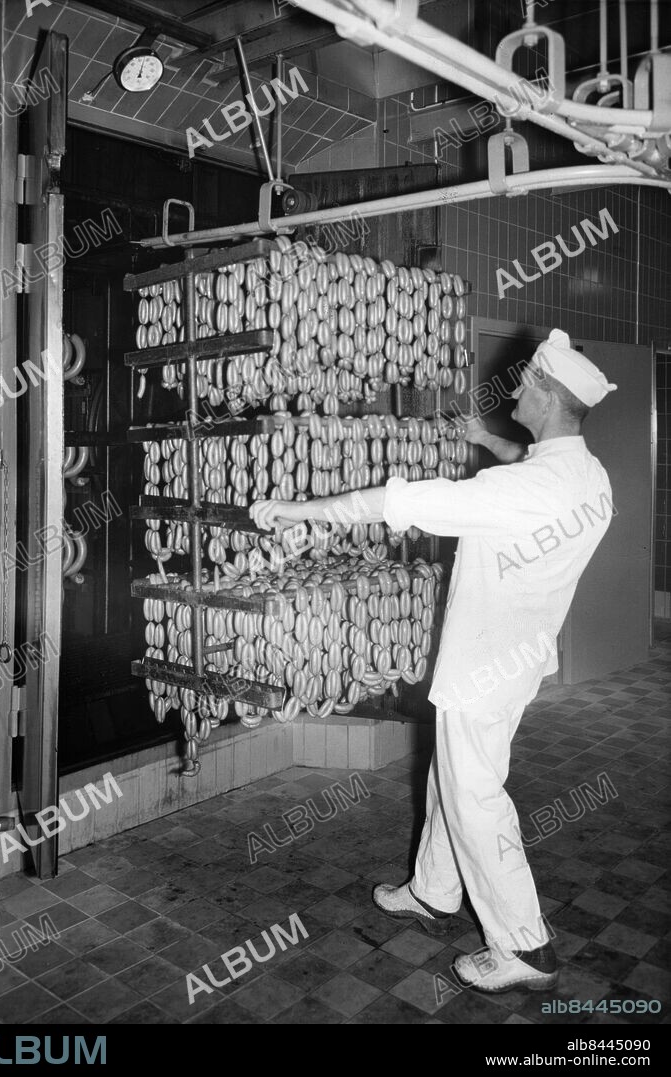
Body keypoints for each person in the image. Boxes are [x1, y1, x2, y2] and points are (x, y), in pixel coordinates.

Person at [249, 329, 616, 993]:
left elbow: (391, 502)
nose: (517, 389)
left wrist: (294, 511)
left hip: (483, 668)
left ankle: (525, 945)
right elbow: (521, 462)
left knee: (475, 797)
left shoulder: (517, 491)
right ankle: (435, 889)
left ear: (547, 394)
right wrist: (482, 436)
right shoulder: (585, 474)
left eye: (527, 382)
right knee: (456, 780)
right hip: (519, 661)